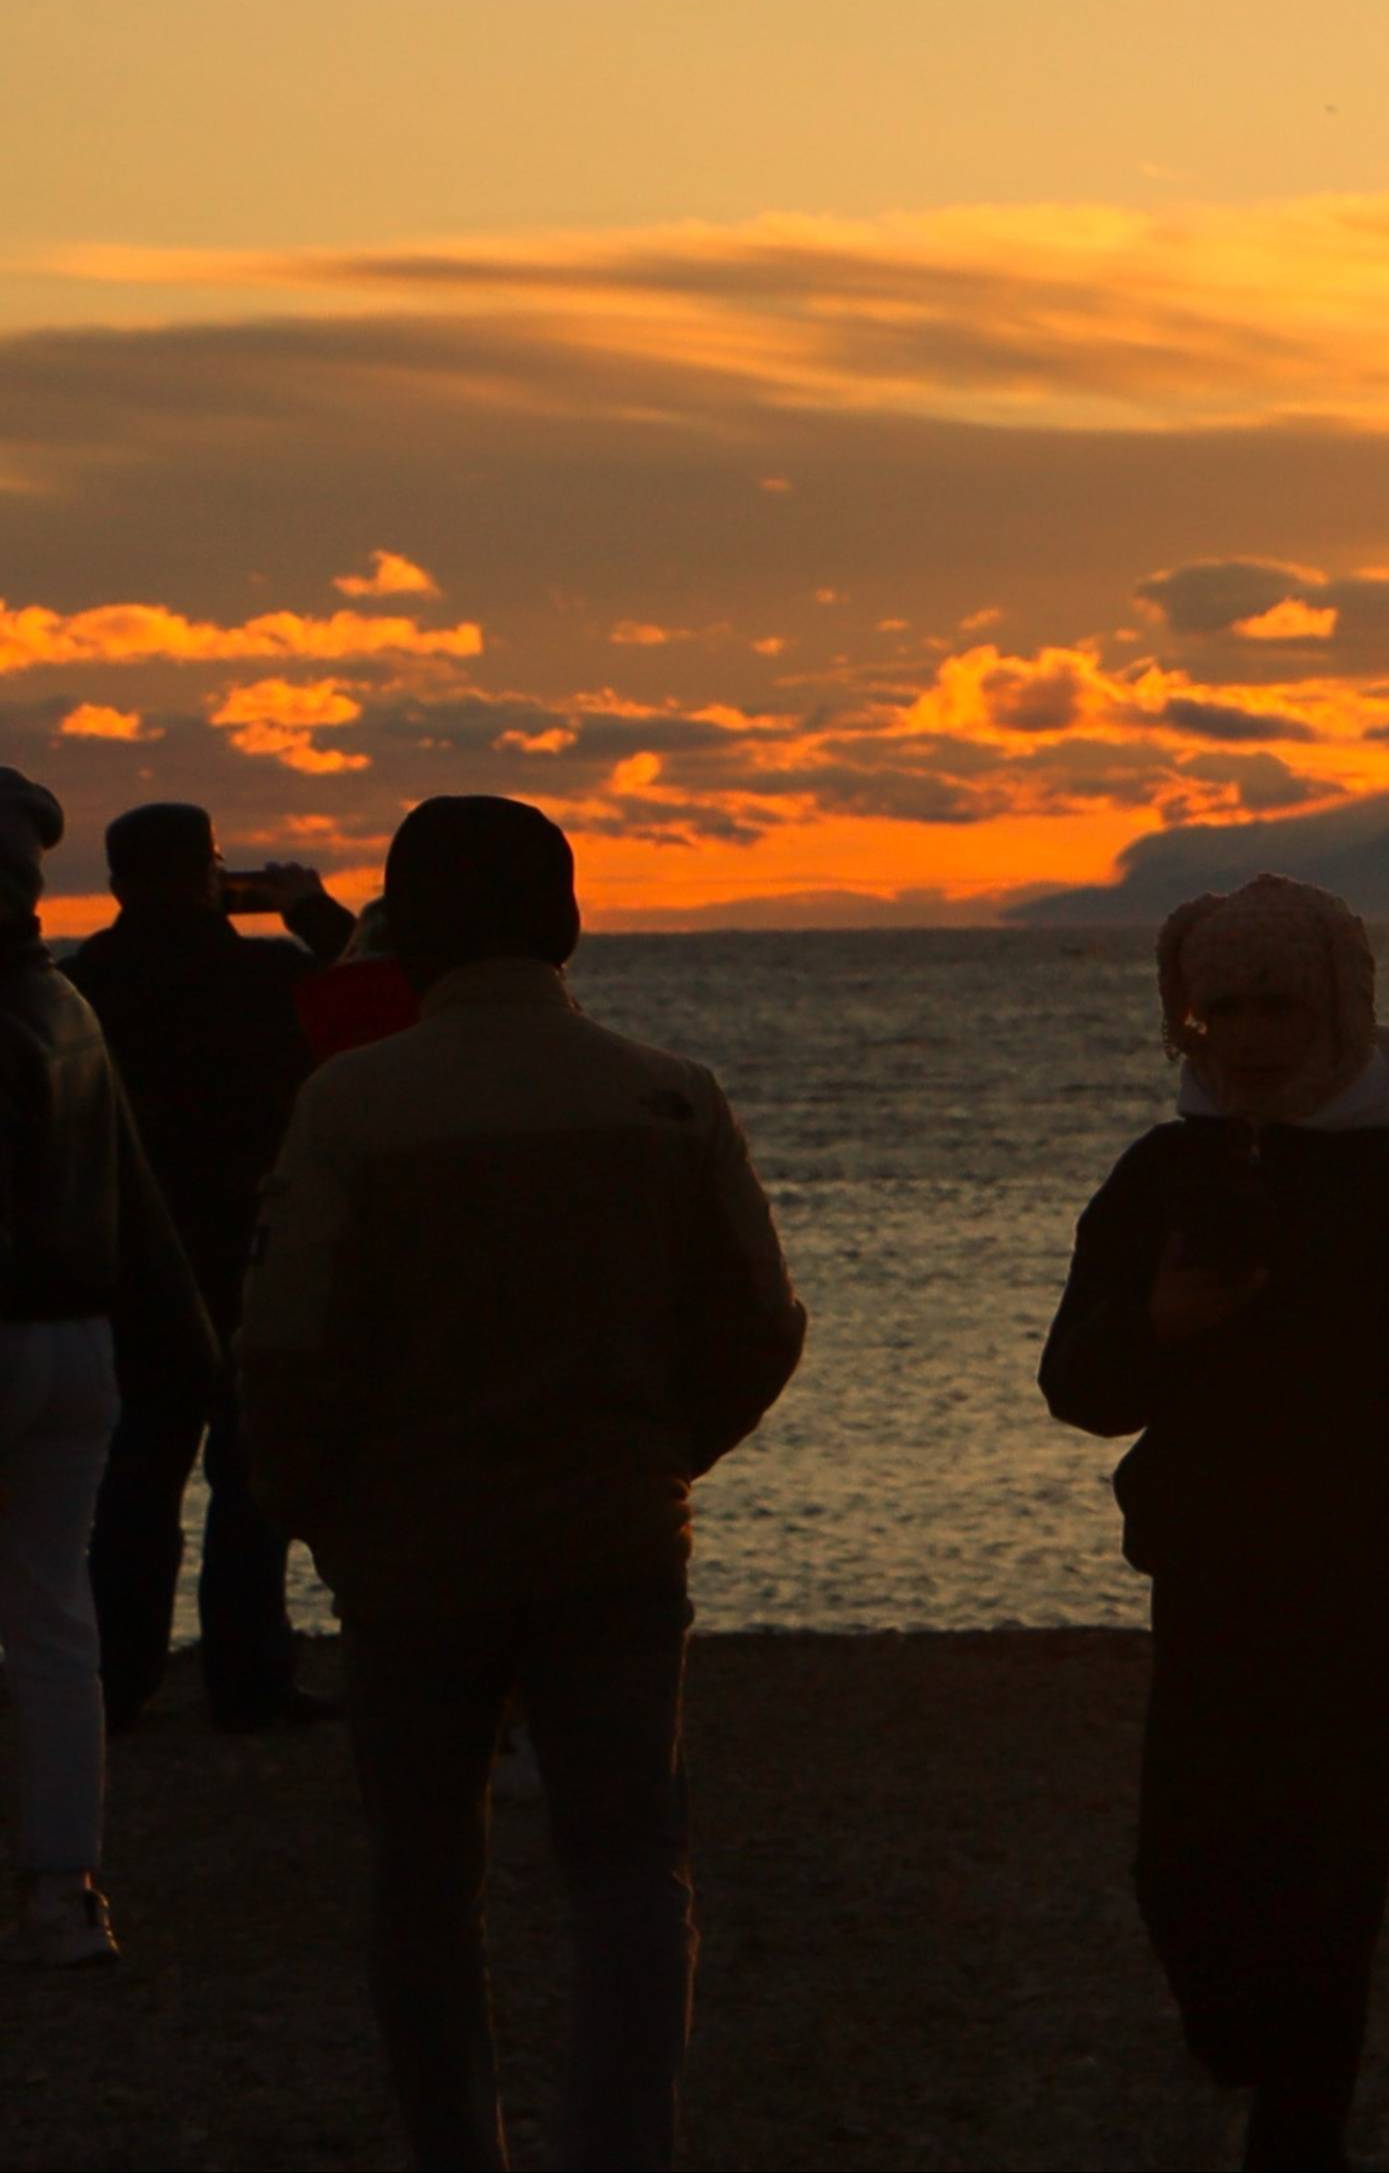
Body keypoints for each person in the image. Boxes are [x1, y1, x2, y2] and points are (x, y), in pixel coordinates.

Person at [243, 795, 807, 2170]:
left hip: (411, 1548)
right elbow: (761, 1324)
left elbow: (283, 1344)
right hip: (613, 1530)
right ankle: (619, 2143)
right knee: (626, 1864)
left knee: (424, 1876)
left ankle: (458, 2145)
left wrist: (319, 1508)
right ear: (565, 923)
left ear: (407, 932)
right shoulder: (665, 1093)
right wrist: (662, 1453)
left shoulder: (350, 1105)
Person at [1043, 875, 1389, 2172]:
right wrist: (1161, 1327)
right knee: (1180, 1860)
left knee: (1333, 1871)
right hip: (1211, 1565)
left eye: (1279, 1001)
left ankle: (1300, 2129)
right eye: (1220, 1005)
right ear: (1187, 1018)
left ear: (1336, 1006)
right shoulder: (1162, 1173)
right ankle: (1240, 2048)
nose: (1251, 1031)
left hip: (1369, 1578)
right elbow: (1078, 1381)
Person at [67, 801, 355, 1732]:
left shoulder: (81, 986)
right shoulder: (269, 973)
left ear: (117, 884)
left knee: (135, 1476)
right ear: (210, 876)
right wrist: (306, 905)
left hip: (130, 1259)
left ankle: (115, 1682)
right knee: (248, 1479)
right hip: (248, 1249)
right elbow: (382, 993)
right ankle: (248, 1677)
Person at [0, 769, 214, 1970]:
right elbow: (132, 1197)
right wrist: (193, 1351)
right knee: (51, 1618)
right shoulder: (65, 1011)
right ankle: (65, 1891)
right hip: (77, 1344)